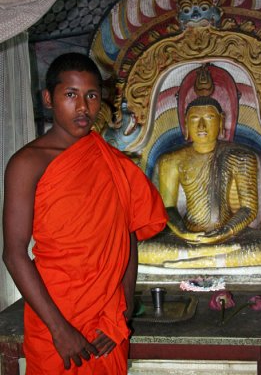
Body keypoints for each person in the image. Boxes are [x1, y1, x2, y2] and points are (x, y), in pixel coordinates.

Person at [2, 52, 167, 374]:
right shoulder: (27, 163)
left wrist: (124, 307)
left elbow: (127, 238)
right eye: (71, 95)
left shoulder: (113, 162)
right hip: (55, 318)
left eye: (91, 96)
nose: (83, 107)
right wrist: (59, 329)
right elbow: (14, 254)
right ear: (49, 99)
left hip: (107, 318)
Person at [138, 96, 261, 269]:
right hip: (187, 236)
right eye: (194, 119)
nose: (201, 126)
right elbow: (167, 208)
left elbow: (248, 209)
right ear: (185, 124)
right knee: (140, 249)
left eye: (209, 118)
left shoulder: (241, 156)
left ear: (221, 121)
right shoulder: (170, 160)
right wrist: (185, 233)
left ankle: (190, 259)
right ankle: (209, 257)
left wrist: (225, 231)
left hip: (231, 236)